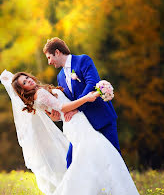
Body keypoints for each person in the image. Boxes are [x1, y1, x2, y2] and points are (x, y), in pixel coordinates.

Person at [0, 70, 144, 195]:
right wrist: (86, 98)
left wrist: (63, 112)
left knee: (92, 156)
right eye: (24, 82)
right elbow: (62, 107)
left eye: (26, 78)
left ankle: (103, 194)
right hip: (75, 123)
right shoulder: (41, 94)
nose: (28, 81)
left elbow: (56, 116)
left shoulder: (38, 95)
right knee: (98, 152)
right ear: (23, 89)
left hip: (72, 122)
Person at [43, 38, 120, 168]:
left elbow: (92, 83)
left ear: (57, 52)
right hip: (82, 124)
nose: (49, 62)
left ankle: (120, 188)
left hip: (101, 118)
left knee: (113, 157)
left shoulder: (83, 60)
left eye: (49, 57)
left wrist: (77, 108)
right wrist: (59, 114)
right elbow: (68, 101)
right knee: (71, 160)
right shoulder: (60, 77)